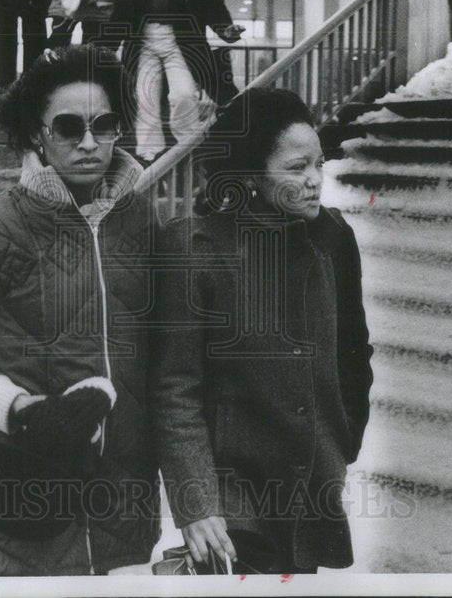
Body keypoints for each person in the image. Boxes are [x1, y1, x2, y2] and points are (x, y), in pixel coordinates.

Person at [0, 45, 161, 576]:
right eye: (68, 128)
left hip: (125, 502)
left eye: (104, 124)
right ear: (37, 135)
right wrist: (18, 407)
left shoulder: (143, 224)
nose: (89, 143)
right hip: (26, 495)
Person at [153, 87, 374, 574]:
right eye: (296, 168)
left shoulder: (334, 238)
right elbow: (176, 390)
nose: (316, 180)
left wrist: (344, 436)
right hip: (232, 495)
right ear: (250, 174)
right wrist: (196, 501)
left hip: (312, 482)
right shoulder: (195, 248)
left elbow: (354, 351)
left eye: (319, 163)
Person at [107, 0, 245, 163]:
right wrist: (108, 44)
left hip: (180, 41)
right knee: (145, 96)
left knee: (182, 94)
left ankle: (188, 151)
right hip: (143, 38)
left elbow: (214, 6)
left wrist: (227, 30)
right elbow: (123, 5)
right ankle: (148, 157)